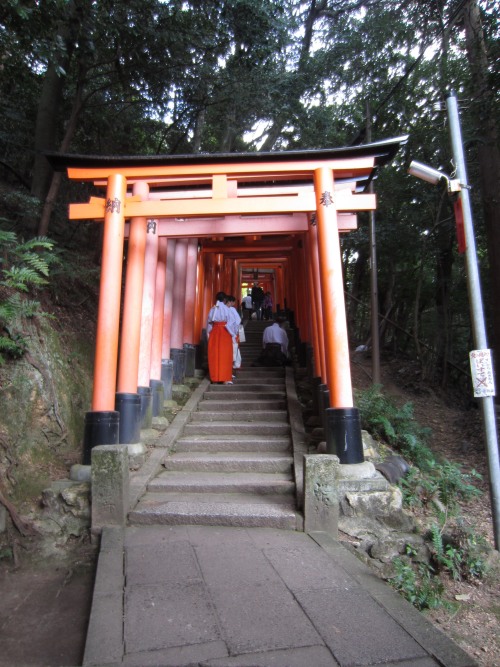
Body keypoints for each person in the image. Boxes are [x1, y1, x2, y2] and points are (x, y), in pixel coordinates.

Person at [206, 292, 233, 384]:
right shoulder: (227, 309)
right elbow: (232, 322)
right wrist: (232, 333)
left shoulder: (213, 309)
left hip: (214, 331)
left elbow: (209, 323)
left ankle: (214, 378)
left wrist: (209, 333)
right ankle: (224, 378)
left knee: (214, 354)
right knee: (225, 355)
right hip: (225, 332)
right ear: (225, 299)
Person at [226, 295, 242, 371]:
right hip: (232, 332)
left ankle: (233, 364)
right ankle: (235, 364)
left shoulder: (222, 309)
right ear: (231, 302)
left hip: (227, 332)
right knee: (234, 350)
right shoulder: (232, 309)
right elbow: (238, 321)